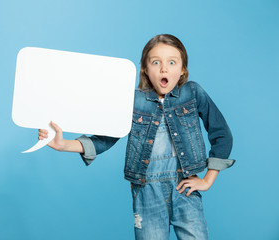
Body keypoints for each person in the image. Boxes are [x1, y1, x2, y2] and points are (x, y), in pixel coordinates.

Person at [38, 34, 235, 240]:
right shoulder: (133, 101)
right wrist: (62, 144)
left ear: (183, 69)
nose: (164, 69)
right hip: (146, 190)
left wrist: (208, 180)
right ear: (145, 69)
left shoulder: (192, 93)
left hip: (184, 187)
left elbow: (222, 134)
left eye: (172, 62)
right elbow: (104, 139)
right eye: (156, 62)